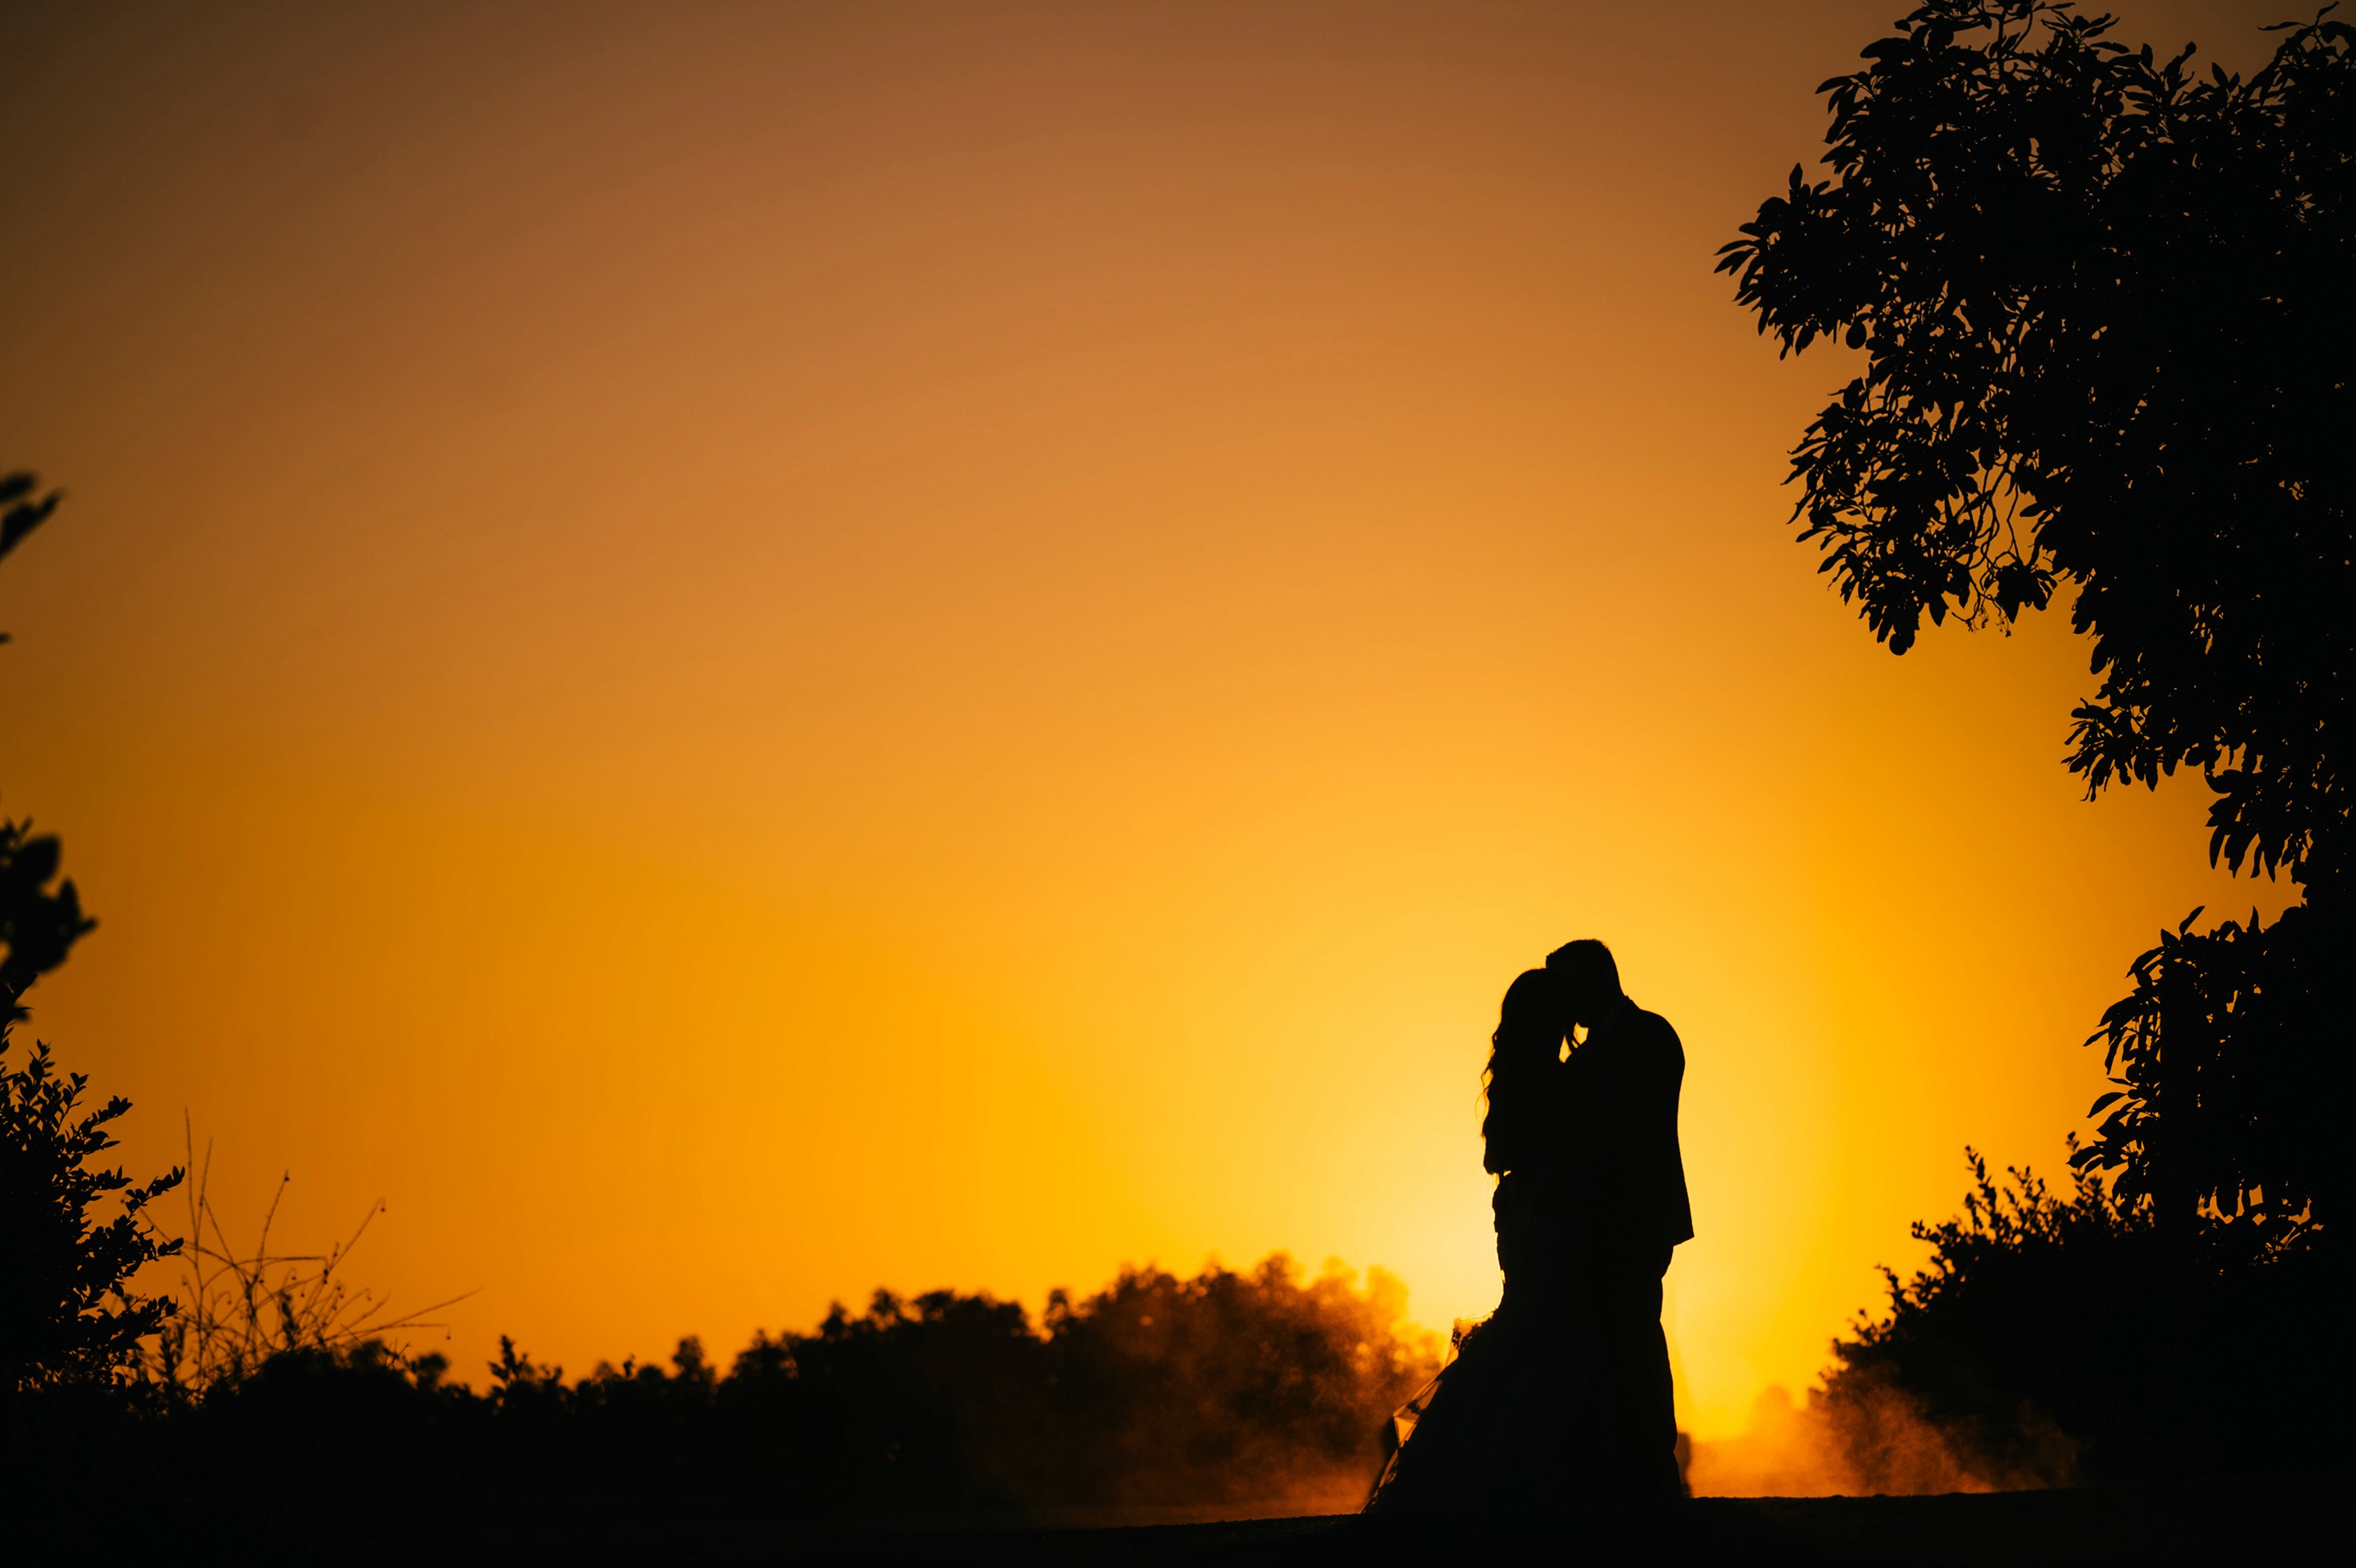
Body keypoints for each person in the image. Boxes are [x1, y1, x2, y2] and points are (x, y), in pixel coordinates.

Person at [1364, 967, 1600, 1511]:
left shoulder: (1513, 1078)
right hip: (1543, 1217)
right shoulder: (1558, 1080)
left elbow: (1495, 1158)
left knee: (1526, 1326)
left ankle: (1467, 1469)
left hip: (1516, 1216)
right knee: (1544, 1332)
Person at [1546, 937, 1691, 1501]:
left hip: (1636, 1217)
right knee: (1611, 1339)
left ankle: (1654, 1465)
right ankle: (1624, 1470)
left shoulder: (1650, 1036)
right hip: (1597, 1222)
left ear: (1594, 978)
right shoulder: (1595, 1052)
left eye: (1568, 986)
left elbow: (1633, 1131)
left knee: (1635, 1335)